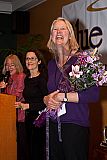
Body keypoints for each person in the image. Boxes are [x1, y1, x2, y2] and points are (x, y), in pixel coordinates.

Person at [43, 17, 99, 160]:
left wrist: (63, 96)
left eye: (63, 28)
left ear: (70, 34)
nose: (58, 32)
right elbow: (49, 93)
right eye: (55, 29)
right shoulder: (51, 64)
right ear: (51, 36)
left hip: (75, 125)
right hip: (54, 124)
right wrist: (46, 99)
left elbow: (94, 95)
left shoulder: (82, 59)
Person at [15, 49, 48, 160]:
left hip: (41, 119)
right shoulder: (27, 79)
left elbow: (47, 102)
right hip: (29, 118)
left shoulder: (43, 79)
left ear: (39, 61)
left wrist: (28, 106)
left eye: (32, 58)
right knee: (30, 150)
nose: (29, 61)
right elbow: (31, 98)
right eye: (27, 58)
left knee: (38, 151)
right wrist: (22, 104)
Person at [0, 54, 26, 160]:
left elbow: (18, 95)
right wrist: (2, 88)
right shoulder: (7, 78)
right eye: (7, 65)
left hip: (19, 114)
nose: (9, 67)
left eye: (12, 65)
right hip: (8, 115)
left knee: (20, 143)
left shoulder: (21, 77)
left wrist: (7, 90)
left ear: (17, 65)